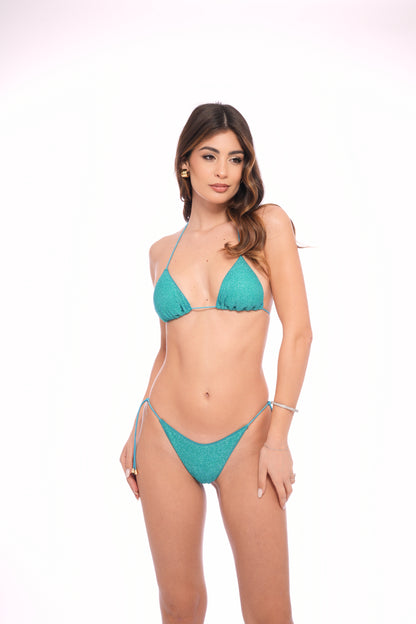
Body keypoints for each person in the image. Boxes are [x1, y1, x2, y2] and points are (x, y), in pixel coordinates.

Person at [120, 102, 312, 624]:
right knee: (179, 604)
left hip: (248, 437)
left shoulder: (267, 225)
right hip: (164, 435)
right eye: (209, 156)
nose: (223, 170)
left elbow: (298, 333)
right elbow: (167, 348)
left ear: (247, 165)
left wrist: (278, 439)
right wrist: (136, 426)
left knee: (269, 610)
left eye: (235, 157)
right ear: (185, 162)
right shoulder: (161, 251)